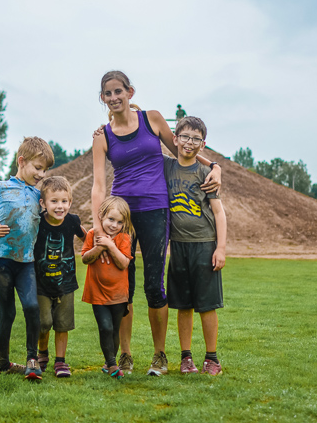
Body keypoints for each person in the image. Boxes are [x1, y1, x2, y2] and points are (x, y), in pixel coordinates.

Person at [91, 70, 222, 376]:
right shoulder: (102, 137)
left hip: (155, 210)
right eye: (107, 94)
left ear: (130, 92)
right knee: (123, 286)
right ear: (103, 99)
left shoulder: (152, 119)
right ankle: (125, 355)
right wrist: (98, 226)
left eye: (118, 92)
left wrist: (214, 165)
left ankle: (159, 355)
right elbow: (99, 185)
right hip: (120, 215)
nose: (113, 98)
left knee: (153, 284)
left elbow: (183, 150)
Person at [0, 137, 54, 379]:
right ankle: (2, 363)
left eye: (45, 170)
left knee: (32, 307)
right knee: (7, 314)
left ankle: (32, 360)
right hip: (0, 261)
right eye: (38, 168)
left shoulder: (37, 194)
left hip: (26, 262)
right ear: (21, 161)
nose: (41, 174)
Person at [163, 116, 227, 376]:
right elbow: (147, 132)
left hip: (204, 245)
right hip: (178, 246)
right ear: (175, 139)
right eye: (185, 137)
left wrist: (220, 248)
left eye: (196, 139)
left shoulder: (206, 174)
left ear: (203, 144)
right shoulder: (166, 166)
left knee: (207, 305)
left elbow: (219, 213)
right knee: (183, 305)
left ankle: (211, 359)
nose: (190, 142)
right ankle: (186, 358)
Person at [33, 176, 87, 378]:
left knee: (63, 324)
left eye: (64, 201)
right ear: (43, 204)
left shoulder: (72, 221)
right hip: (41, 283)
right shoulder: (37, 223)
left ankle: (60, 361)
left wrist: (95, 249)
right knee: (44, 322)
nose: (59, 206)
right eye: (54, 201)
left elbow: (86, 237)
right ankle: (42, 352)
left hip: (66, 283)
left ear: (70, 203)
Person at [81, 196, 133, 379]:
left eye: (119, 222)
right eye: (111, 219)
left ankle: (108, 362)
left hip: (118, 294)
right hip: (97, 292)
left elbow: (123, 263)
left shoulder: (124, 238)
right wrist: (99, 247)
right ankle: (112, 365)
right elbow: (85, 258)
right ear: (101, 216)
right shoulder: (92, 235)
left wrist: (110, 246)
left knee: (114, 328)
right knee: (104, 327)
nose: (114, 225)